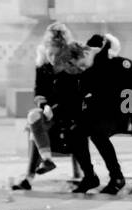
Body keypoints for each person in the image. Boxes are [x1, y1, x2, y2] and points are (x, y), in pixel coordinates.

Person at [12, 22, 98, 190]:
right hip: (48, 111)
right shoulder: (43, 66)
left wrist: (55, 108)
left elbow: (75, 96)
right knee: (33, 118)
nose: (52, 58)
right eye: (50, 52)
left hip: (70, 112)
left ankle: (29, 177)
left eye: (57, 54)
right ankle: (46, 162)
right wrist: (44, 106)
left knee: (36, 130)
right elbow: (38, 91)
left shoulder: (72, 68)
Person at [77, 33, 132, 194]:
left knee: (97, 134)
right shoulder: (90, 69)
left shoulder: (121, 64)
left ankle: (117, 176)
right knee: (76, 132)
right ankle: (89, 176)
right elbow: (82, 90)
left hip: (117, 116)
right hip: (97, 115)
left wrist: (127, 107)